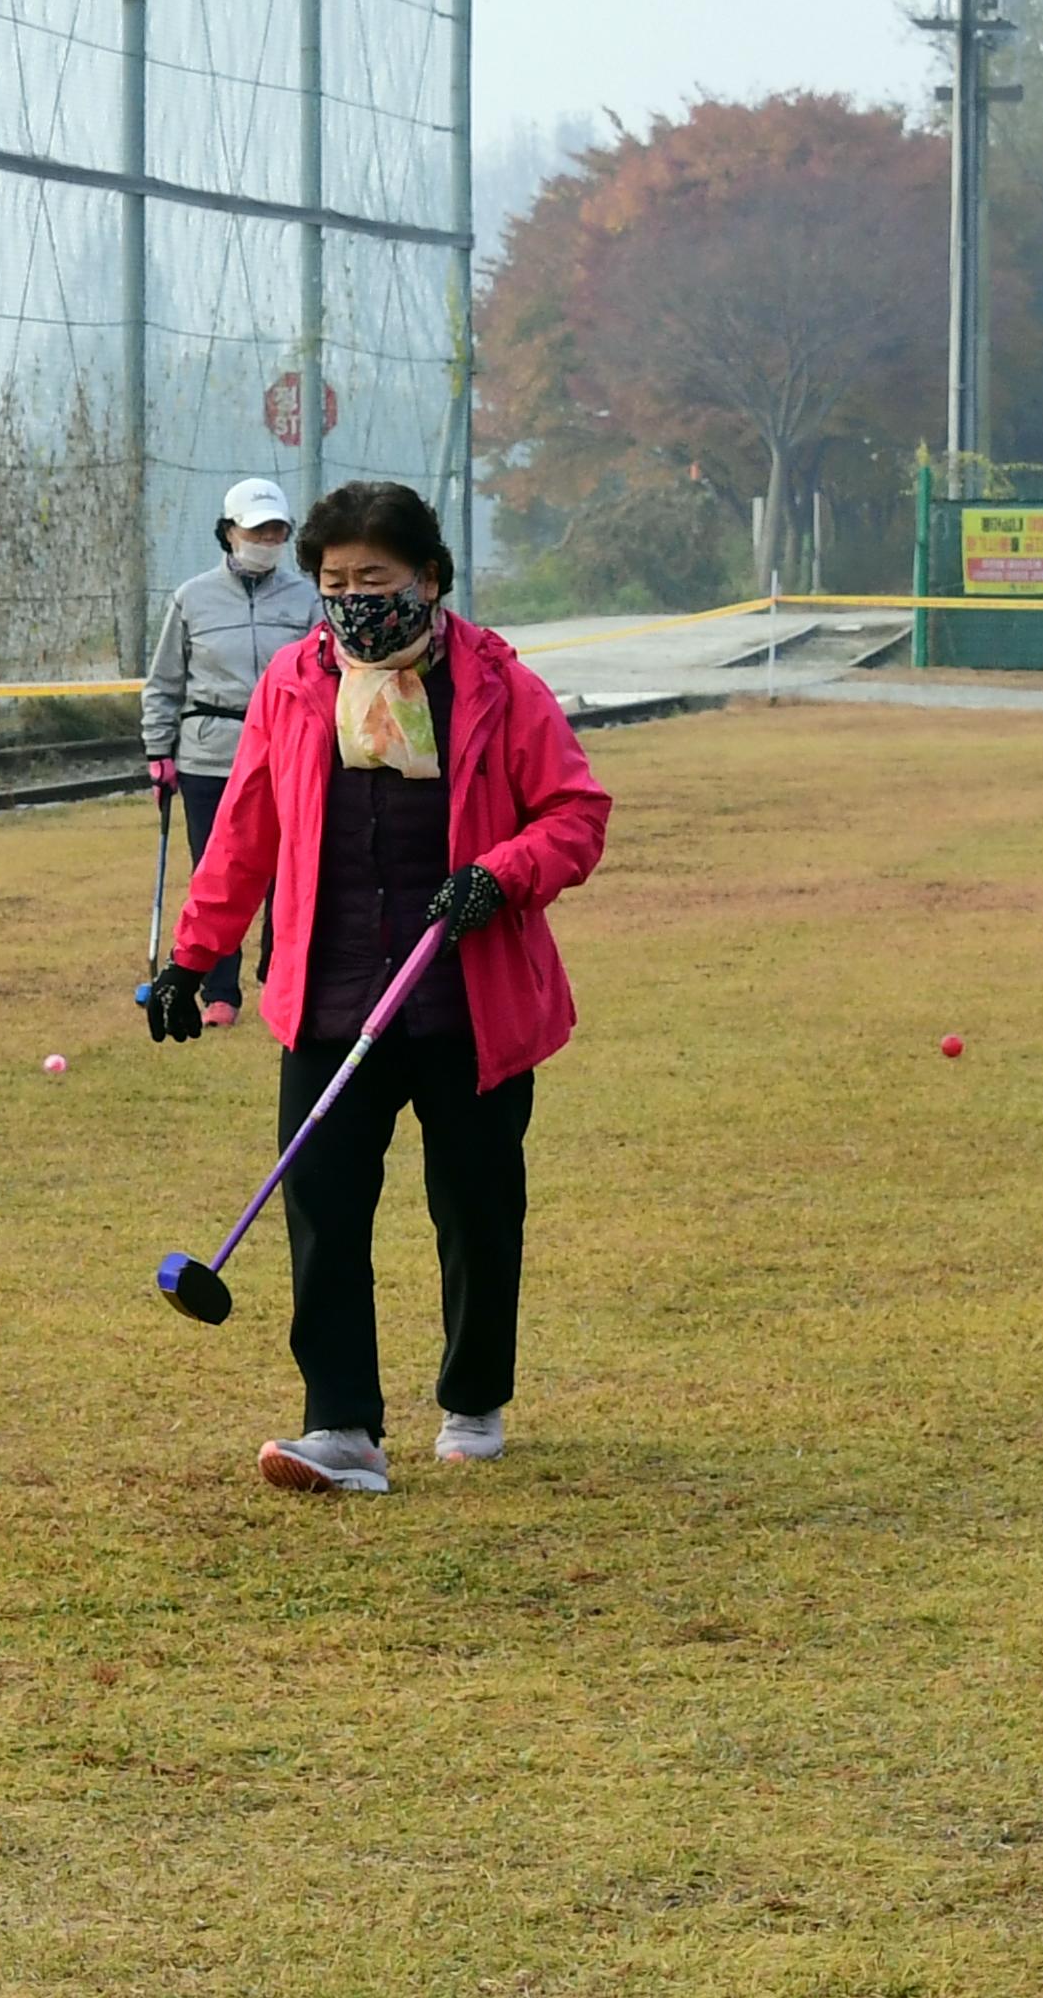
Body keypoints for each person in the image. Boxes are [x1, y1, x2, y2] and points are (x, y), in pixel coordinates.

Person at [146, 479, 611, 1496]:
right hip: (330, 993)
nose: (354, 600)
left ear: (430, 577)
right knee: (323, 1206)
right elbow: (246, 834)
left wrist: (501, 873)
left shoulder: (497, 682)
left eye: (376, 578)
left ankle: (474, 1396)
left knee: (477, 1209)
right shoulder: (292, 684)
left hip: (467, 1000)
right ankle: (342, 1425)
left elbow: (576, 815)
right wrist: (193, 957)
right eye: (335, 581)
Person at [139, 478, 321, 1025]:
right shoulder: (191, 598)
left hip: (285, 753)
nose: (267, 539)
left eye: (277, 531)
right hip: (206, 756)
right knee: (215, 869)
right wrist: (158, 749)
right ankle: (220, 991)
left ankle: (278, 971)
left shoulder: (307, 598)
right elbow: (164, 681)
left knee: (284, 870)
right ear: (229, 532)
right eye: (257, 529)